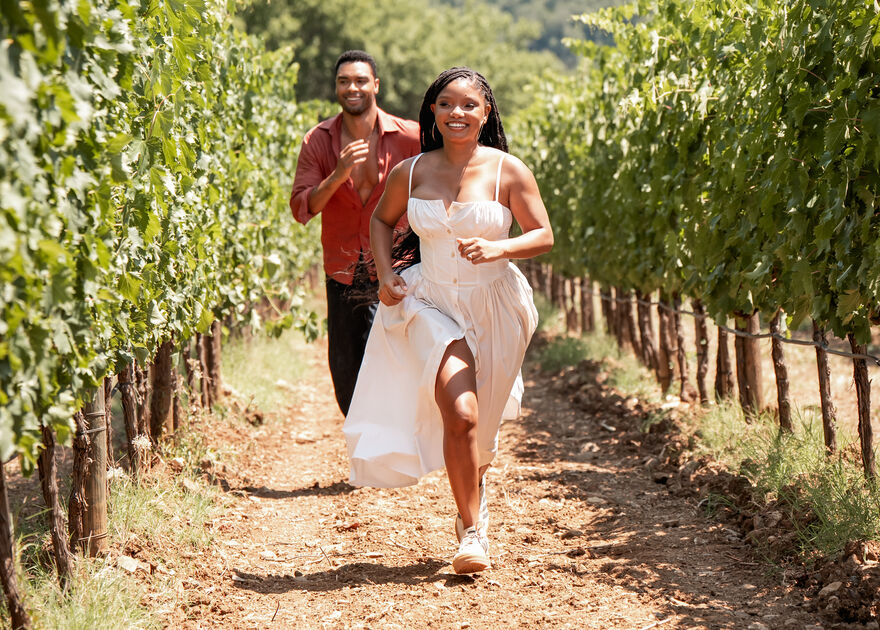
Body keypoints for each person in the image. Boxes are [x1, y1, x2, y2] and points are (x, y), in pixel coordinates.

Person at [342, 67, 553, 574]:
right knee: (460, 414)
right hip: (431, 304)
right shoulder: (411, 172)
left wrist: (500, 246)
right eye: (445, 104)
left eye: (468, 105)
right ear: (432, 112)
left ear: (485, 113)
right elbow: (380, 220)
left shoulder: (509, 171)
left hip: (497, 305)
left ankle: (475, 490)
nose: (456, 113)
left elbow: (543, 235)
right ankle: (472, 532)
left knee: (481, 434)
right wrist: (388, 273)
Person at [290, 50, 420, 415]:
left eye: (360, 80)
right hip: (343, 268)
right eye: (344, 81)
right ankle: (364, 447)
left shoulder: (410, 137)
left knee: (398, 360)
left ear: (375, 85)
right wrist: (338, 174)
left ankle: (393, 454)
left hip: (400, 268)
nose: (352, 87)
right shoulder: (318, 140)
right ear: (336, 87)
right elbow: (303, 208)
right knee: (345, 370)